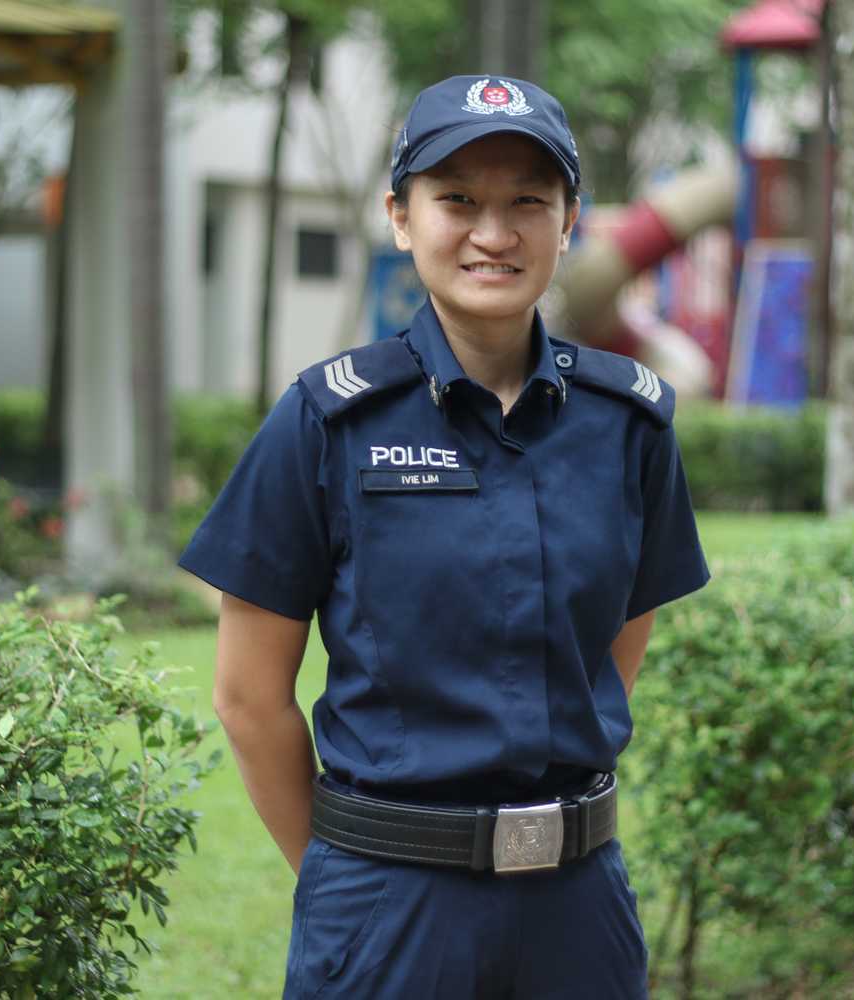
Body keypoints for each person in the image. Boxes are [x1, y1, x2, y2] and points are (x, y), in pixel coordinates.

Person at [179, 73, 709, 999]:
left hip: (577, 912)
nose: (493, 234)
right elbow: (248, 697)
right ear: (399, 215)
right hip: (388, 909)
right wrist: (355, 877)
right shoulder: (326, 422)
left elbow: (621, 639)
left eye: (526, 203)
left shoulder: (629, 426)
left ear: (569, 220)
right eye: (456, 199)